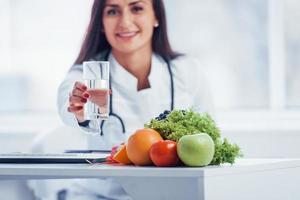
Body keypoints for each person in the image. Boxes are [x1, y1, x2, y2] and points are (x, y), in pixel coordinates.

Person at [57, 0, 214, 199]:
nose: (125, 21)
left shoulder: (187, 70)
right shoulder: (88, 73)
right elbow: (66, 104)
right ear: (101, 23)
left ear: (156, 16)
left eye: (137, 8)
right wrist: (78, 109)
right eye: (113, 11)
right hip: (100, 195)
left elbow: (209, 135)